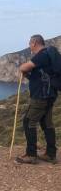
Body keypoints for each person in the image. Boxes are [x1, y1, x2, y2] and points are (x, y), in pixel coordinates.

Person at [16, 34, 58, 164]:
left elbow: (24, 67)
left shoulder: (42, 55)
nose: (29, 46)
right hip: (49, 94)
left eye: (30, 43)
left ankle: (31, 154)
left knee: (28, 121)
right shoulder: (47, 56)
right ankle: (51, 154)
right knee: (47, 124)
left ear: (34, 42)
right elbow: (40, 76)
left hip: (41, 96)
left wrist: (22, 69)